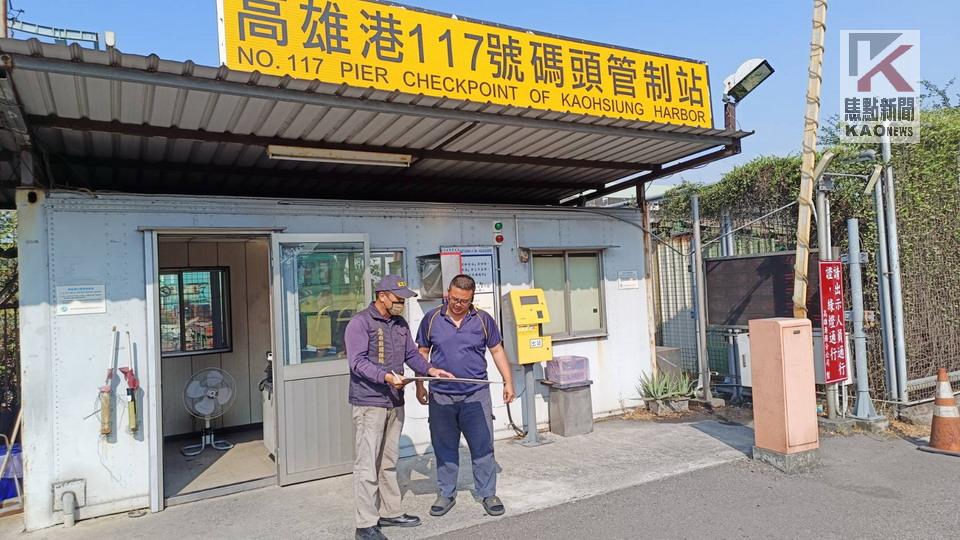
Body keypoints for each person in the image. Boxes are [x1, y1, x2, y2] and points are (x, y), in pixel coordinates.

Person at [346, 275, 453, 540]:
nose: (401, 303)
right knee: (367, 465)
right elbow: (356, 362)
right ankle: (365, 524)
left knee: (388, 462)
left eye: (403, 299)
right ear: (382, 295)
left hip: (394, 401)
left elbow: (411, 356)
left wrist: (430, 370)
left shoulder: (400, 324)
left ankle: (391, 512)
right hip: (370, 403)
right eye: (397, 298)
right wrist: (386, 377)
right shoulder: (360, 323)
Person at [414, 274, 516, 518]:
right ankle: (446, 494)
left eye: (464, 301)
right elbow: (422, 353)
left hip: (475, 395)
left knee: (482, 447)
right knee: (444, 447)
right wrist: (420, 385)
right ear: (448, 293)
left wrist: (508, 381)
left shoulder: (483, 320)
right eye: (454, 298)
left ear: (472, 299)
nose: (458, 304)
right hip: (441, 396)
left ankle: (488, 493)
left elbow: (497, 350)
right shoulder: (431, 319)